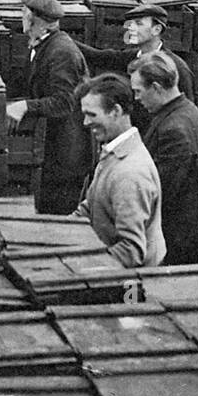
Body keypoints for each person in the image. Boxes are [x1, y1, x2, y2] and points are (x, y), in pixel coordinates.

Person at [6, 0, 91, 215]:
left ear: (37, 20)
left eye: (24, 13)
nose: (21, 17)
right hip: (52, 147)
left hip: (66, 154)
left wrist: (26, 106)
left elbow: (64, 102)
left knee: (58, 214)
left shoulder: (61, 52)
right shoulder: (42, 44)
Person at [73, 73, 165, 268]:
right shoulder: (112, 154)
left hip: (131, 285)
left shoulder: (129, 172)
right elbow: (91, 208)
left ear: (115, 111)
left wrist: (80, 268)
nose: (85, 123)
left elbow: (131, 250)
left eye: (92, 115)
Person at [131, 53, 198, 264]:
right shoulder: (186, 112)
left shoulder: (174, 129)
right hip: (183, 237)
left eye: (138, 91)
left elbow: (160, 189)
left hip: (174, 243)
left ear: (157, 87)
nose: (136, 98)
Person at [77, 0, 195, 113]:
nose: (131, 28)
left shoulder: (176, 67)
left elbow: (186, 108)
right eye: (131, 24)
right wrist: (64, 38)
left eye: (138, 23)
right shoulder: (132, 56)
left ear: (156, 29)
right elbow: (99, 57)